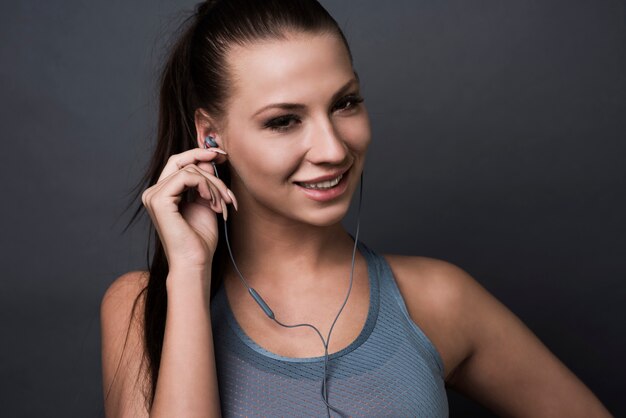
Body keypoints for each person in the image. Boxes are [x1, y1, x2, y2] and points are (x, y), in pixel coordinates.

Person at [100, 0, 613, 416]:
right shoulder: (144, 309)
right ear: (211, 135)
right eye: (284, 120)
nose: (333, 148)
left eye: (345, 103)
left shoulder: (437, 299)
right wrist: (189, 271)